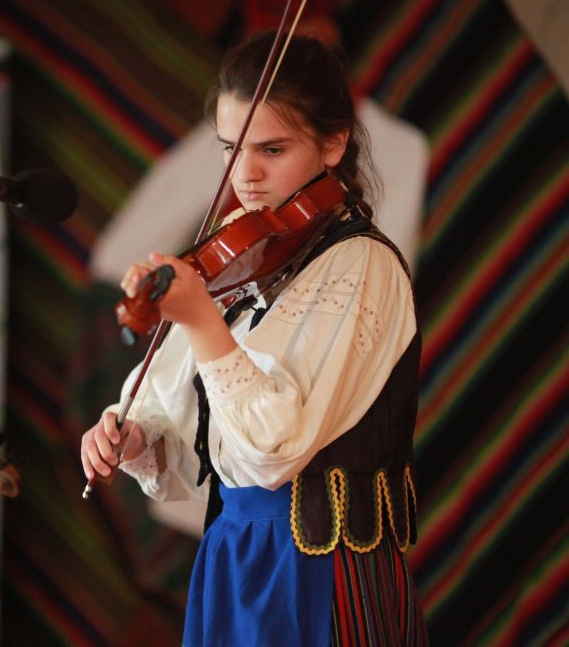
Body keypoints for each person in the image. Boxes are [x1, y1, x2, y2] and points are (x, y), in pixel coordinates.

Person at [80, 32, 429, 645]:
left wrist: (202, 320)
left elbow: (273, 449)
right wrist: (138, 435)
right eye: (230, 148)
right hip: (235, 552)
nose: (245, 174)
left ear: (334, 143)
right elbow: (201, 429)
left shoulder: (362, 265)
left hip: (321, 567)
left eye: (272, 149)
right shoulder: (249, 254)